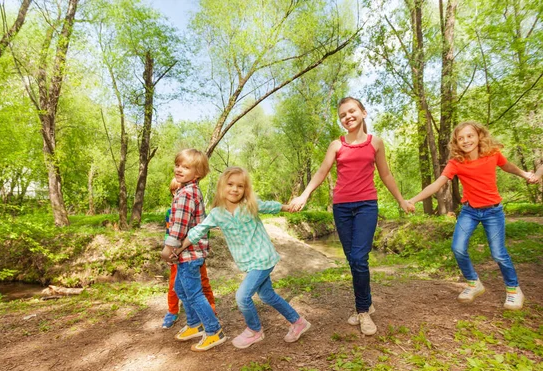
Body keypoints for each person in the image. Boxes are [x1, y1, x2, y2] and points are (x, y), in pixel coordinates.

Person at [289, 97, 412, 336]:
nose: (348, 116)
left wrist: (401, 200)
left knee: (358, 258)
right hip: (342, 208)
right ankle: (366, 300)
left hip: (367, 205)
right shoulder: (336, 145)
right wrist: (304, 195)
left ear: (364, 112)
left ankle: (363, 311)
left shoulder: (375, 142)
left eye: (352, 111)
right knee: (353, 260)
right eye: (343, 114)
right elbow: (322, 171)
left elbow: (385, 174)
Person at [175, 167, 311, 349]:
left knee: (242, 297)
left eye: (240, 186)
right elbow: (197, 231)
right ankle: (298, 322)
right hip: (248, 262)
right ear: (222, 187)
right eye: (230, 184)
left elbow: (270, 206)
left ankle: (255, 331)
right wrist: (177, 249)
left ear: (245, 189)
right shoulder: (217, 214)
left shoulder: (250, 205)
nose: (234, 189)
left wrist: (288, 207)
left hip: (263, 258)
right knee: (267, 295)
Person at [407, 121, 534, 310]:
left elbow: (508, 167)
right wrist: (414, 200)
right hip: (470, 211)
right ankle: (474, 284)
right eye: (461, 138)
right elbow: (438, 184)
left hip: (493, 211)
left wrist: (525, 174)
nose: (466, 141)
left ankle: (514, 290)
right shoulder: (456, 163)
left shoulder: (492, 155)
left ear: (478, 136)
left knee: (498, 254)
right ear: (456, 143)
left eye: (469, 136)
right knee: (458, 248)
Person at [160, 149, 225, 351]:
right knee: (180, 289)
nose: (179, 169)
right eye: (178, 165)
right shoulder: (186, 190)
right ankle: (194, 324)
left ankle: (214, 331)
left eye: (185, 167)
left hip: (189, 254)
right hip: (185, 254)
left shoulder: (187, 194)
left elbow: (179, 226)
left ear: (197, 174)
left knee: (194, 293)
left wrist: (168, 248)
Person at [162, 178, 216, 329]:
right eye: (174, 191)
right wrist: (169, 252)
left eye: (178, 189)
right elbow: (169, 233)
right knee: (177, 286)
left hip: (191, 254)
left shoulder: (189, 197)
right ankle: (180, 315)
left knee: (200, 286)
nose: (176, 193)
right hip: (177, 254)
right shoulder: (171, 211)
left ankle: (211, 319)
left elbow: (200, 229)